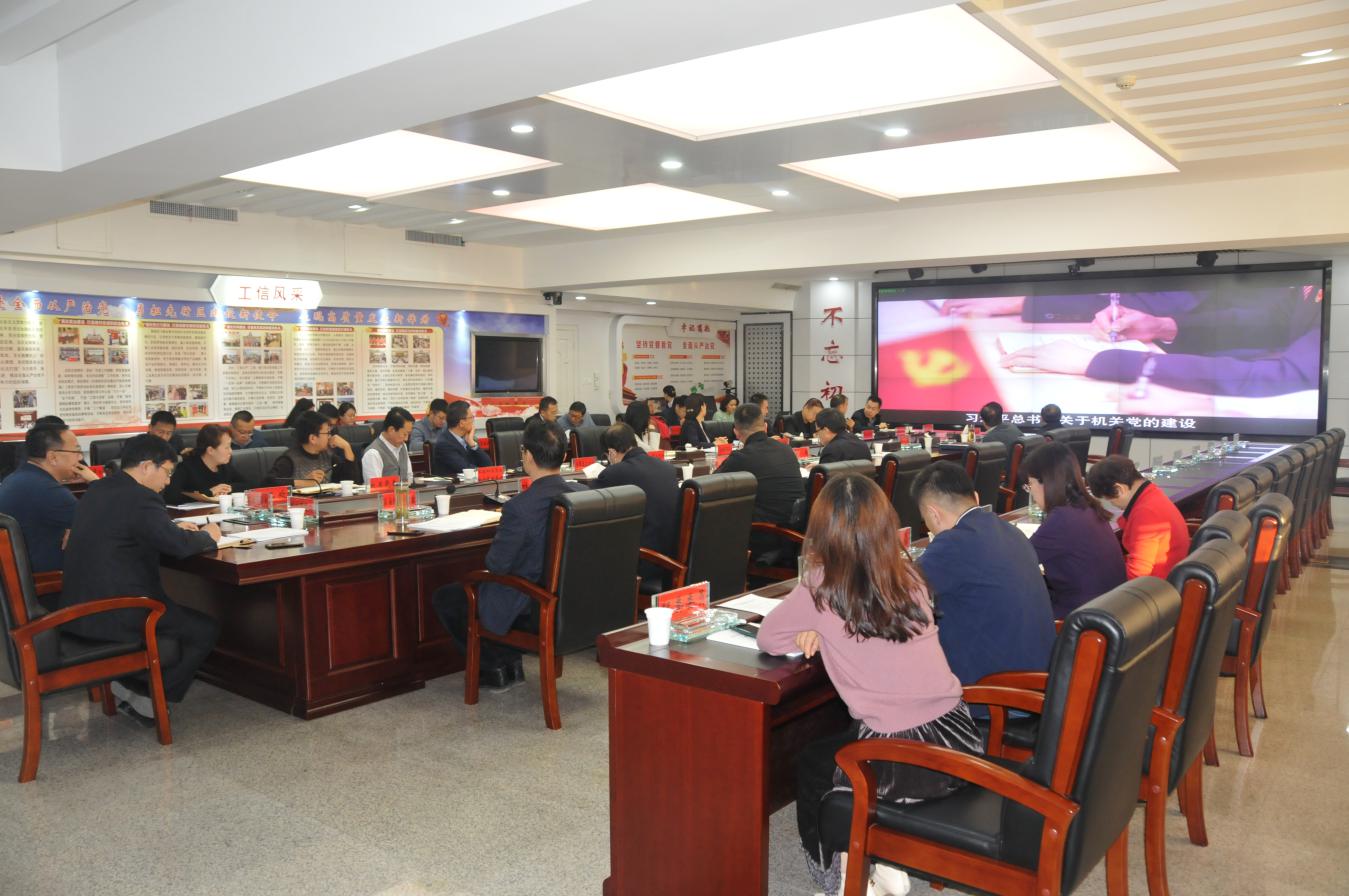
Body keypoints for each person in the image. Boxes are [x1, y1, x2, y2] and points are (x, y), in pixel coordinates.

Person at [758, 474, 980, 896]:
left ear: (822, 531)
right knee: (835, 747)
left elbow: (769, 638)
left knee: (815, 767)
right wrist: (822, 629)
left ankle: (849, 880)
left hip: (897, 759)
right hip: (957, 740)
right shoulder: (908, 574)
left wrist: (816, 629)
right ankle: (884, 859)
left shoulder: (821, 585)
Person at [60, 434, 222, 718]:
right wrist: (209, 536)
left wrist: (172, 528)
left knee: (186, 621)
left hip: (78, 608)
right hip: (117, 611)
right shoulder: (141, 497)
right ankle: (148, 698)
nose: (168, 482)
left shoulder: (100, 488)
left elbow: (131, 529)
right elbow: (179, 547)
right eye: (167, 472)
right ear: (147, 466)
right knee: (203, 630)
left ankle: (130, 685)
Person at [431, 420, 584, 689]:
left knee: (448, 597)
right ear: (563, 456)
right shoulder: (582, 495)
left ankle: (493, 667)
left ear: (528, 456)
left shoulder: (520, 507)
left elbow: (496, 564)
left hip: (531, 601)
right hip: (570, 600)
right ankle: (509, 663)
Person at [910, 462, 1055, 687]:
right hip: (1038, 676)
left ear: (933, 514)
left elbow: (897, 592)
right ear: (976, 498)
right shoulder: (1011, 531)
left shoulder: (953, 544)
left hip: (995, 691)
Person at [1022, 442, 1127, 618]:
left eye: (1030, 484)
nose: (1031, 492)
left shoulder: (1062, 519)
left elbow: (1017, 561)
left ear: (1046, 483)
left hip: (1081, 616)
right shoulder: (1086, 507)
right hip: (1108, 607)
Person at [0, 424, 90, 579]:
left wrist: (77, 527)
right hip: (48, 583)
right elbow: (107, 527)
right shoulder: (48, 490)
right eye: (76, 451)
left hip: (19, 581)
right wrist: (96, 482)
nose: (80, 458)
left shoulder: (17, 478)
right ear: (53, 457)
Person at [597, 423, 679, 584]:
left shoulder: (614, 473)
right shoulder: (667, 468)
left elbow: (590, 505)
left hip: (643, 563)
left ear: (611, 453)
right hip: (673, 559)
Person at [716, 403, 804, 554]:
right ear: (765, 427)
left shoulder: (741, 457)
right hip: (796, 533)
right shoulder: (786, 450)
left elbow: (711, 486)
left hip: (766, 535)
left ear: (736, 432)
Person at [1087, 454, 1190, 580]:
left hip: (1156, 586)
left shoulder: (1146, 513)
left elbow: (1137, 574)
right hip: (1167, 577)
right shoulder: (1152, 494)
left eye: (1110, 500)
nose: (1113, 505)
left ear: (1119, 489)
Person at [268, 411, 357, 487]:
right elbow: (268, 483)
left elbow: (352, 482)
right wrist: (303, 482)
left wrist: (347, 448)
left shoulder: (328, 456)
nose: (330, 437)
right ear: (313, 438)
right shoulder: (289, 459)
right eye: (327, 433)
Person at [164, 425, 241, 505]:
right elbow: (170, 496)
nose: (230, 451)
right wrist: (210, 492)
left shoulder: (224, 466)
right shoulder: (187, 467)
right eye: (227, 447)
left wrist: (227, 488)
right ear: (210, 450)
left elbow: (246, 484)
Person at [435, 402, 493, 476]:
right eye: (471, 417)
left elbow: (489, 465)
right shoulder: (444, 444)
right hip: (455, 482)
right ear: (462, 423)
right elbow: (466, 469)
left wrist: (473, 445)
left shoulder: (469, 439)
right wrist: (486, 472)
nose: (473, 421)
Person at [361, 407, 415, 483]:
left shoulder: (403, 446)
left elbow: (409, 477)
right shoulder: (373, 453)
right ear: (391, 430)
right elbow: (374, 488)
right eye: (404, 434)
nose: (406, 439)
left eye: (409, 434)